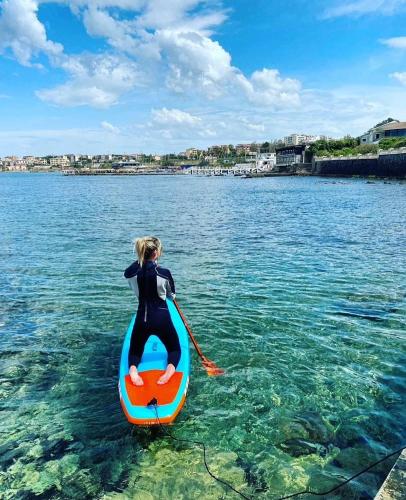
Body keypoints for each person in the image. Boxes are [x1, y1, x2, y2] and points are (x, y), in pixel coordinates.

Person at [124, 236, 180, 386]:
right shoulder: (164, 273)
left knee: (135, 351)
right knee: (174, 349)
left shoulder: (131, 273)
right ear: (155, 252)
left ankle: (133, 372)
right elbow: (171, 296)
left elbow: (129, 271)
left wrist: (142, 259)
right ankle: (168, 373)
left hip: (142, 319)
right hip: (162, 318)